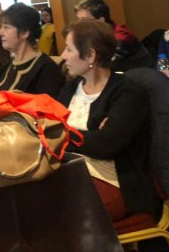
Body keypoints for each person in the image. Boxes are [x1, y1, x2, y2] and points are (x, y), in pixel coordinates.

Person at [58, 20, 157, 221]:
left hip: (117, 183)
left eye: (69, 49)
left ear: (90, 55)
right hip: (72, 171)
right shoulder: (71, 87)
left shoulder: (127, 92)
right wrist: (90, 136)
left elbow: (105, 146)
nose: (63, 56)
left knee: (48, 210)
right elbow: (47, 127)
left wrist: (62, 134)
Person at [0, 3, 64, 97]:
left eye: (6, 27)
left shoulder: (47, 69)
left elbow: (47, 105)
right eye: (1, 27)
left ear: (25, 33)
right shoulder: (4, 68)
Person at [74, 0, 151, 71]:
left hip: (141, 76)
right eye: (78, 19)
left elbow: (107, 66)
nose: (79, 24)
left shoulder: (122, 36)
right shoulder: (92, 35)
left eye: (84, 20)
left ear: (101, 20)